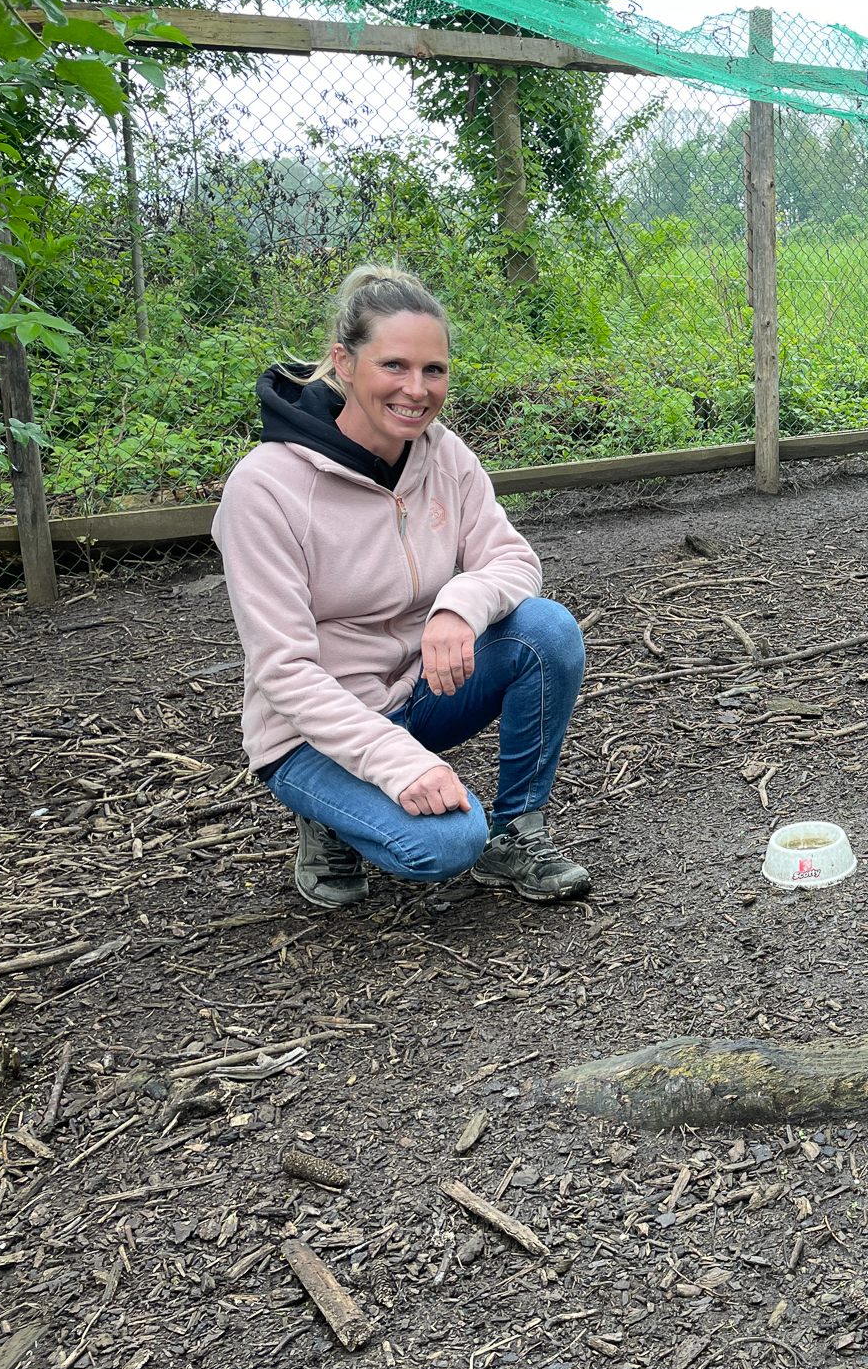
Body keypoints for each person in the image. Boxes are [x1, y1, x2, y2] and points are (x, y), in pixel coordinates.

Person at [212, 264, 591, 907]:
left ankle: (517, 834)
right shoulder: (265, 488)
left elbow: (512, 559)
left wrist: (458, 608)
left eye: (433, 370)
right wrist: (402, 765)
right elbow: (284, 670)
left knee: (545, 631)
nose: (417, 390)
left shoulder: (443, 453)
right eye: (394, 366)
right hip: (310, 731)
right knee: (445, 845)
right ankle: (329, 815)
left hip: (418, 689)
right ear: (343, 362)